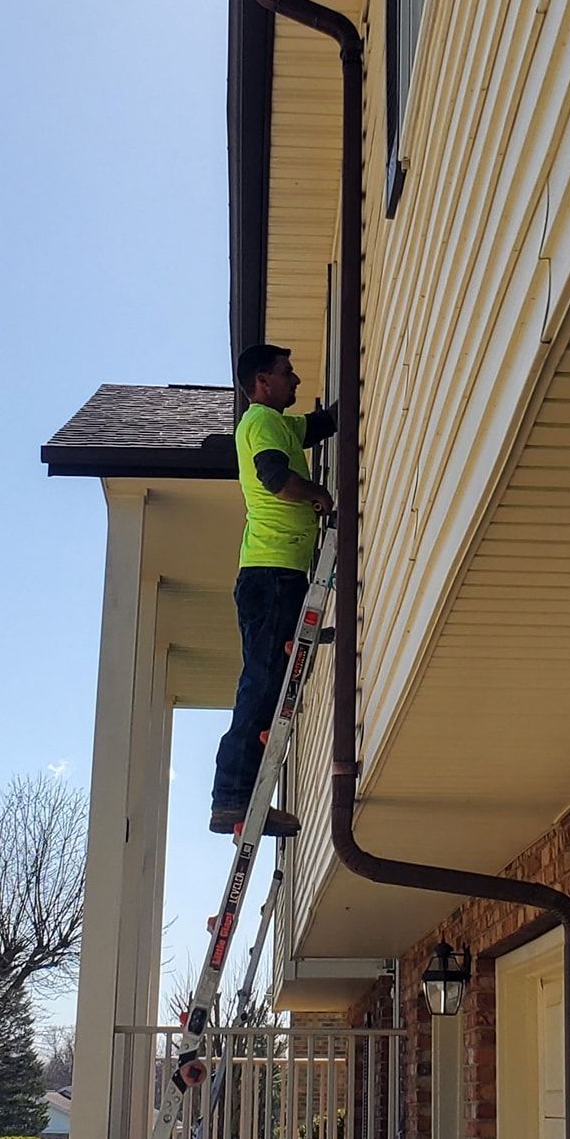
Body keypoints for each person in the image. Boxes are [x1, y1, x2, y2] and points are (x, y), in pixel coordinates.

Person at [210, 343, 337, 837]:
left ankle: (247, 799)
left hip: (276, 571)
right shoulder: (260, 422)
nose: (297, 380)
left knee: (269, 682)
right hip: (272, 571)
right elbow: (275, 478)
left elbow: (319, 425)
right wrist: (320, 494)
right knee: (262, 683)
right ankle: (232, 798)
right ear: (262, 382)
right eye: (288, 373)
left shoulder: (281, 425)